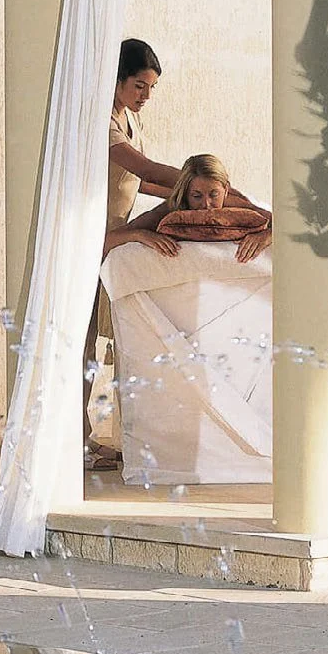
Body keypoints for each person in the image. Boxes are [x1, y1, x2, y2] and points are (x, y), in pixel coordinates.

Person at [84, 39, 182, 471]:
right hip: (90, 238)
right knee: (80, 346)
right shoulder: (101, 121)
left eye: (151, 88)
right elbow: (143, 168)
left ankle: (88, 438)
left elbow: (137, 182)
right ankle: (74, 442)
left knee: (97, 344)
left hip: (111, 239)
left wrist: (195, 196)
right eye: (140, 86)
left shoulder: (130, 118)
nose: (146, 95)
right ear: (118, 79)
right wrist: (202, 178)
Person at [104, 154, 272, 265]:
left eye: (214, 194)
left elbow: (284, 224)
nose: (206, 205)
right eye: (196, 196)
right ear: (185, 193)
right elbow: (106, 242)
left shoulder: (236, 204)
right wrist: (139, 234)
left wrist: (266, 236)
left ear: (226, 190)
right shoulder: (173, 209)